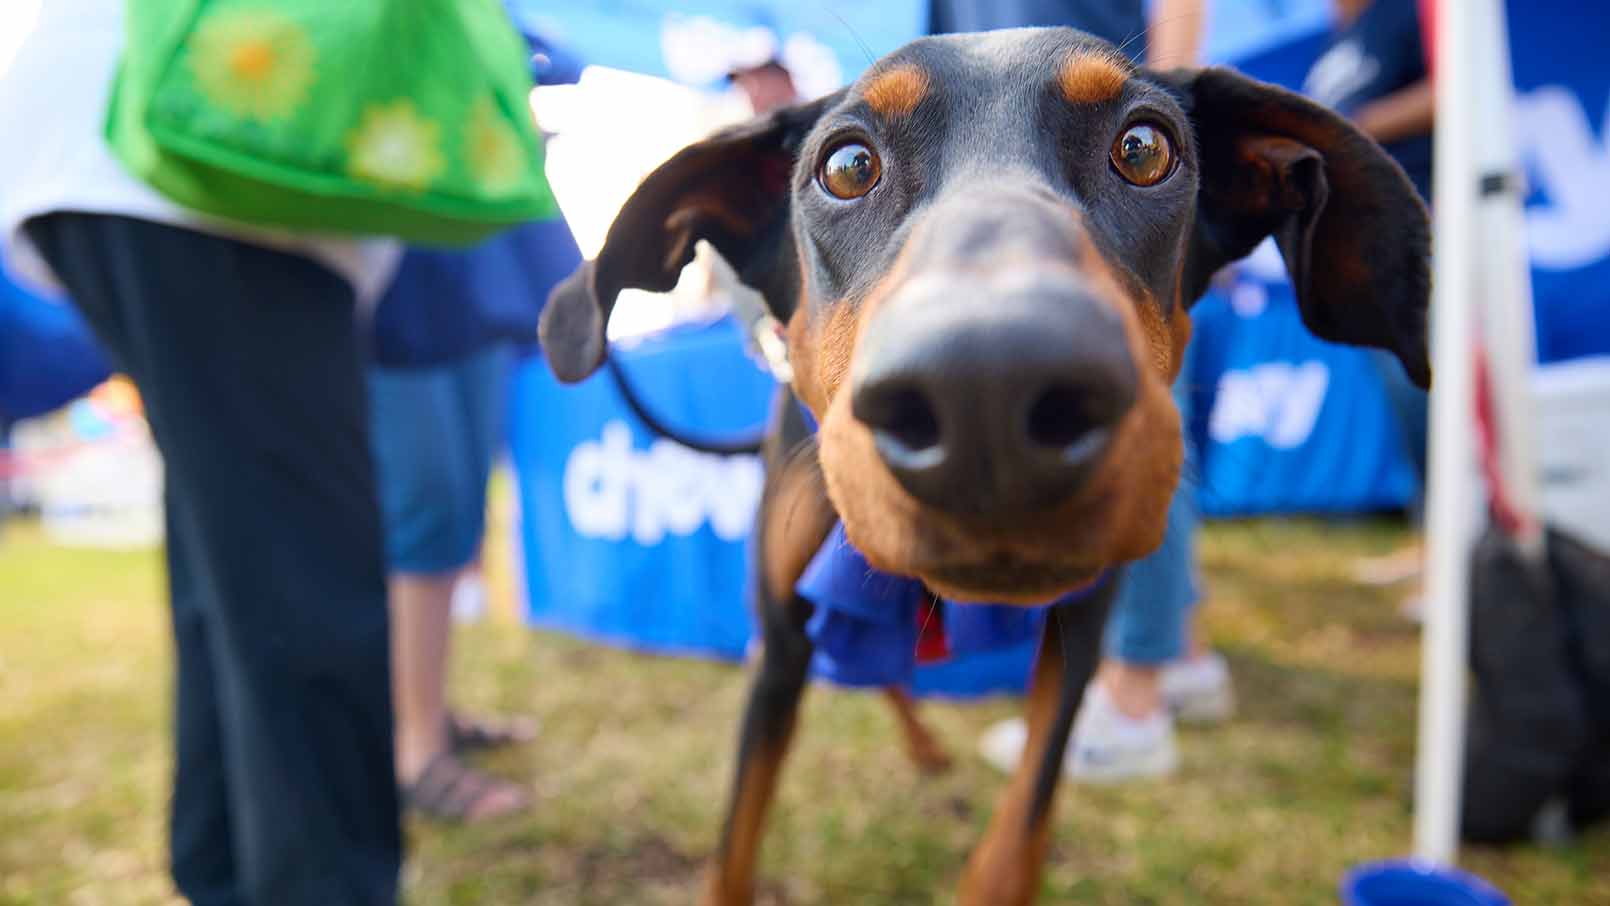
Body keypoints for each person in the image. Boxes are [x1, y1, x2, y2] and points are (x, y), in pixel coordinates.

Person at [0, 2, 402, 902]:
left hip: (129, 147)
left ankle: (221, 865)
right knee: (304, 566)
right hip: (211, 169)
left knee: (236, 556)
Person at [931, 0, 1231, 783]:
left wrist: (1160, 148)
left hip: (1105, 168)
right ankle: (1182, 651)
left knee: (1141, 420)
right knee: (1149, 418)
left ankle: (1134, 697)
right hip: (989, 179)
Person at [1305, 0, 1435, 595]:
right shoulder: (1341, 38)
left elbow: (1449, 92)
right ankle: (1433, 538)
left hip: (1421, 221)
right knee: (1404, 393)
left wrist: (1353, 128)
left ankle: (1459, 551)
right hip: (1362, 240)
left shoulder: (1405, 14)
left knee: (1430, 392)